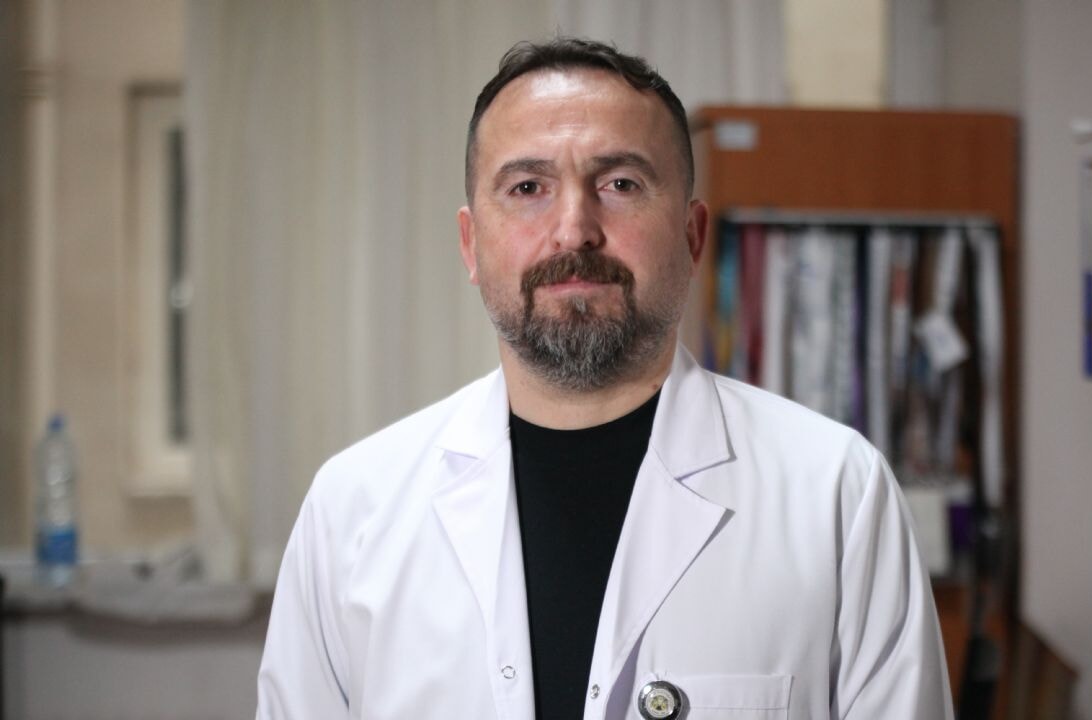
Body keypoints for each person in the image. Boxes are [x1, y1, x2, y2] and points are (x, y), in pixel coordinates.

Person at [257, 37, 952, 720]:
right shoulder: (352, 512)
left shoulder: (838, 494)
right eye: (528, 188)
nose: (574, 229)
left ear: (692, 236)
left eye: (621, 184)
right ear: (471, 245)